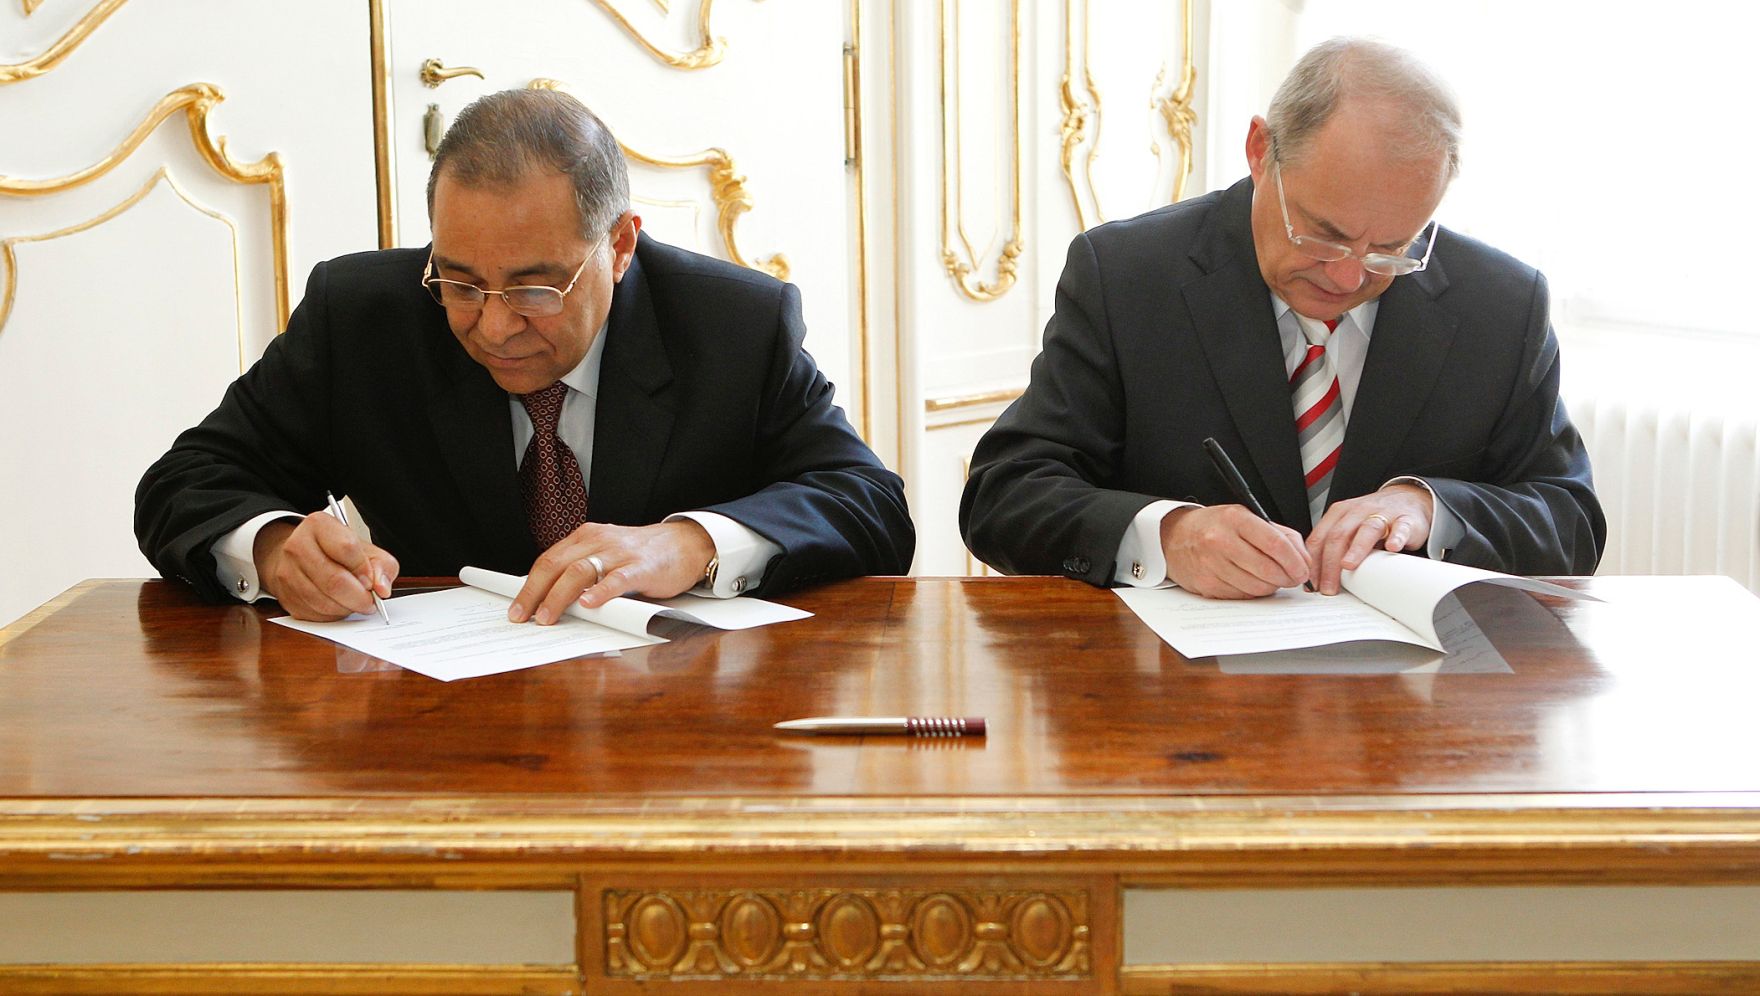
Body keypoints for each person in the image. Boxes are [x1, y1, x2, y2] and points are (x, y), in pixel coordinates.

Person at [136, 88, 913, 623]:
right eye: (462, 282)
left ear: (620, 246)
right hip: (432, 736)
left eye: (535, 288)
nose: (494, 327)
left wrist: (690, 542)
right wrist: (271, 550)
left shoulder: (733, 323)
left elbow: (870, 504)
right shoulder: (363, 316)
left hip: (673, 736)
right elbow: (183, 482)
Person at [960, 38, 1603, 599]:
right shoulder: (1126, 275)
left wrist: (1430, 510)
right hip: (1172, 701)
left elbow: (1570, 520)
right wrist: (1166, 535)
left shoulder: (1501, 304)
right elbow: (1004, 496)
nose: (1349, 277)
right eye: (1323, 234)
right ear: (1260, 151)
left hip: (1413, 707)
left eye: (1391, 249)